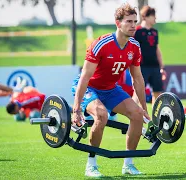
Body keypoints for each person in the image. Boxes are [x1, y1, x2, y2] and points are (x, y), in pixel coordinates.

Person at [71, 3, 150, 178]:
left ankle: (128, 165)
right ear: (117, 23)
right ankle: (91, 165)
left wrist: (143, 108)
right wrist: (76, 109)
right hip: (89, 88)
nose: (133, 25)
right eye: (128, 21)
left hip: (111, 89)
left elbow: (138, 78)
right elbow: (84, 77)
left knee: (137, 115)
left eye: (135, 21)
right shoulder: (101, 43)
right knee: (101, 115)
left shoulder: (135, 46)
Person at [134, 5, 166, 105]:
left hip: (155, 67)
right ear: (145, 16)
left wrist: (162, 67)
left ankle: (155, 118)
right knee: (138, 92)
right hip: (142, 67)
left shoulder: (155, 32)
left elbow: (157, 49)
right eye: (153, 15)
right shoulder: (137, 31)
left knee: (157, 92)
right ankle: (133, 114)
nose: (155, 18)